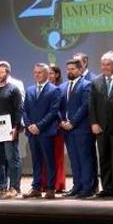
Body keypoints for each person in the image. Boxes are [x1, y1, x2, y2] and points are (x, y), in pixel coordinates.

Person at [89, 51, 113, 198]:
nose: (104, 67)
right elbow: (91, 105)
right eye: (103, 64)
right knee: (104, 158)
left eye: (108, 64)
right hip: (101, 127)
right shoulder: (95, 82)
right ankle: (106, 187)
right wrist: (93, 123)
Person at [22, 63, 61, 199]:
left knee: (49, 160)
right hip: (32, 132)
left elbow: (53, 112)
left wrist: (39, 126)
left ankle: (50, 188)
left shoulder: (54, 90)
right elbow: (25, 110)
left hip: (46, 132)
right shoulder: (30, 90)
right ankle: (36, 187)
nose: (36, 75)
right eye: (35, 72)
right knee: (36, 161)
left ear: (46, 74)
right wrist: (29, 125)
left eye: (39, 72)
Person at [0, 61, 23, 198]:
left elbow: (19, 109)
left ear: (8, 73)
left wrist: (16, 128)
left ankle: (14, 187)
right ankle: (0, 187)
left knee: (12, 159)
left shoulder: (13, 89)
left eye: (3, 71)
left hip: (9, 131)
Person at [60, 58, 96, 198]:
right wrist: (62, 121)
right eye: (68, 69)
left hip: (81, 129)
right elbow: (59, 107)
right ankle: (77, 186)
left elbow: (84, 107)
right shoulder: (63, 87)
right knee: (74, 159)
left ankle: (87, 188)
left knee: (84, 159)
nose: (70, 71)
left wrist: (72, 122)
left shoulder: (87, 85)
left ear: (80, 70)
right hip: (67, 130)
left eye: (73, 69)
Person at [46, 65, 67, 193]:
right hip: (44, 128)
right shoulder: (41, 89)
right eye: (47, 73)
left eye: (51, 73)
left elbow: (62, 109)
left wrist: (61, 121)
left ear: (57, 75)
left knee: (57, 156)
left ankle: (58, 184)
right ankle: (45, 183)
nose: (49, 76)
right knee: (45, 157)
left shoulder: (61, 89)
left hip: (57, 127)